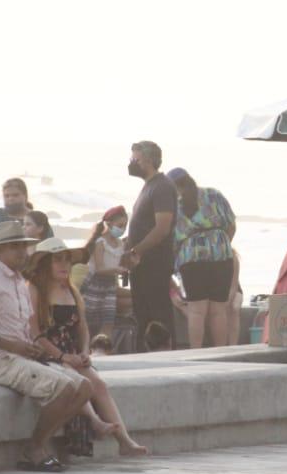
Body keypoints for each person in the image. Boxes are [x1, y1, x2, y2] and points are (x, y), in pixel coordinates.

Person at [0, 220, 91, 472]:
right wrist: (13, 346)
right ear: (0, 251)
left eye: (24, 246)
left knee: (84, 387)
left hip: (22, 358)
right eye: (14, 247)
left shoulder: (20, 281)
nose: (22, 252)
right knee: (64, 388)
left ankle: (37, 445)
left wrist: (32, 347)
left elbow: (23, 328)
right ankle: (34, 448)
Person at [25, 239, 148, 457]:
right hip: (48, 353)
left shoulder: (71, 291)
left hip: (71, 351)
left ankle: (125, 441)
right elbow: (35, 334)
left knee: (98, 383)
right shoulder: (35, 290)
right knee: (76, 380)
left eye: (67, 261)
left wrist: (84, 351)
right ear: (45, 264)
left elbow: (82, 327)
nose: (64, 265)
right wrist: (61, 356)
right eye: (57, 261)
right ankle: (95, 421)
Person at [168, 168, 236, 349]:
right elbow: (231, 225)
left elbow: (172, 240)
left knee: (197, 311)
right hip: (221, 254)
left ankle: (195, 353)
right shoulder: (213, 194)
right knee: (218, 311)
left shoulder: (174, 205)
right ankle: (220, 352)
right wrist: (219, 245)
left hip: (191, 258)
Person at [123, 141, 177, 351]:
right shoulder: (148, 186)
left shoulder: (161, 186)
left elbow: (162, 228)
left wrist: (137, 250)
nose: (131, 163)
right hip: (142, 264)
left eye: (134, 159)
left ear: (149, 160)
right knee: (143, 314)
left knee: (158, 314)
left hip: (154, 263)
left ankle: (165, 355)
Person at [81, 206, 129, 338]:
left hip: (110, 286)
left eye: (125, 226)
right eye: (120, 225)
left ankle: (103, 347)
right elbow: (99, 269)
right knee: (89, 320)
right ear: (109, 223)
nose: (123, 229)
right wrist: (116, 270)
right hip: (94, 284)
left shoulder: (120, 244)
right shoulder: (100, 242)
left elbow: (120, 264)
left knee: (108, 320)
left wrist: (129, 265)